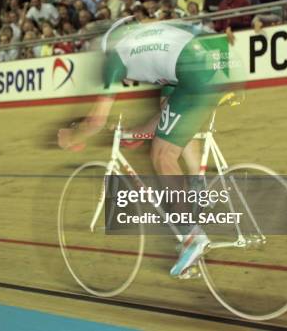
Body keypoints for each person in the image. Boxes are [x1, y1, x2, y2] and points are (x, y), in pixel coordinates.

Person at [57, 16, 239, 278]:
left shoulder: (115, 56)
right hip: (217, 62)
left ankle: (192, 237)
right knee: (174, 129)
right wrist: (137, 133)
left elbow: (97, 122)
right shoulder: (156, 44)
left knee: (162, 155)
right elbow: (167, 116)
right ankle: (198, 188)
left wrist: (72, 138)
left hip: (200, 71)